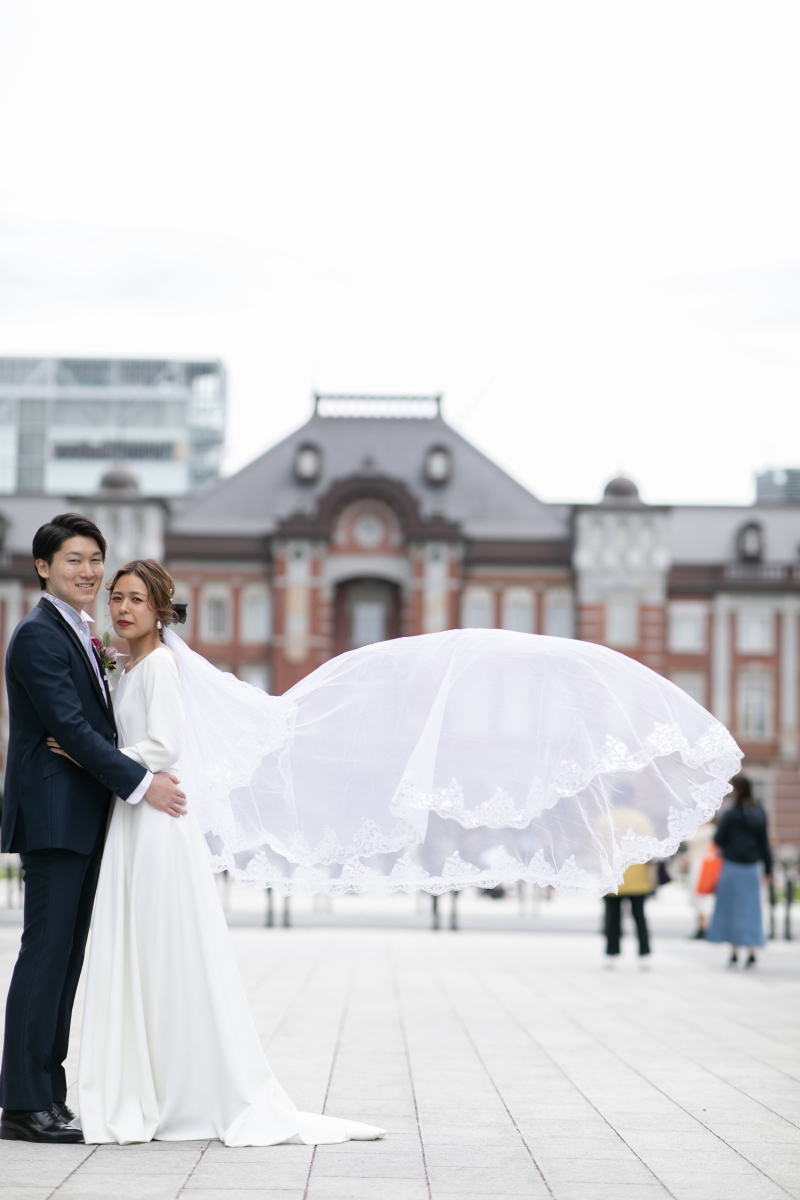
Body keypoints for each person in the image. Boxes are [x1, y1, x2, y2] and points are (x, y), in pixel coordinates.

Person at [70, 561, 384, 1145]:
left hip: (155, 824)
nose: (123, 608)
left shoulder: (159, 666)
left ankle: (177, 1085)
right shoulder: (128, 666)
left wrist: (89, 753)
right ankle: (155, 1080)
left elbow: (164, 746)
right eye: (117, 598)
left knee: (161, 948)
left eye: (136, 599)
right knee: (143, 949)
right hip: (136, 816)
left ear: (160, 608)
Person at [0, 516, 186, 1144]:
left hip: (82, 816)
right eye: (73, 559)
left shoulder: (80, 633)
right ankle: (24, 1103)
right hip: (54, 817)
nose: (88, 571)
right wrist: (143, 784)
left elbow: (92, 734)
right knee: (46, 957)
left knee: (65, 961)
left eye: (95, 560)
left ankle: (47, 1094)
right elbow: (73, 731)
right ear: (43, 568)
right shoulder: (38, 636)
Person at [706, 775, 772, 968]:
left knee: (732, 910)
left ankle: (734, 952)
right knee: (752, 910)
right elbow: (764, 844)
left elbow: (718, 840)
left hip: (732, 867)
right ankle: (752, 950)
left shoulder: (731, 814)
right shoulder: (758, 812)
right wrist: (768, 869)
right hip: (752, 868)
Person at [602, 806, 654, 969]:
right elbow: (650, 846)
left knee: (612, 918)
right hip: (637, 875)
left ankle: (611, 954)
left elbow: (596, 846)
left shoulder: (605, 820)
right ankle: (644, 954)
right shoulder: (640, 819)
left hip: (613, 876)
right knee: (639, 917)